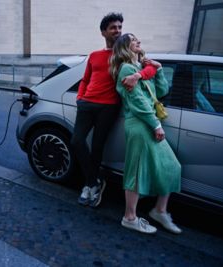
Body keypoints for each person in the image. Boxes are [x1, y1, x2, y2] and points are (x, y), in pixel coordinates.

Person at [71, 12, 157, 207]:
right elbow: (85, 79)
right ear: (103, 32)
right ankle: (94, 181)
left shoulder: (125, 55)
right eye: (113, 28)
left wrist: (137, 76)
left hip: (109, 107)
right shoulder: (94, 55)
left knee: (98, 147)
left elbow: (151, 68)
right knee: (76, 141)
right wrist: (79, 98)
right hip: (86, 104)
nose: (118, 30)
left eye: (120, 27)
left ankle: (90, 186)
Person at [110, 33, 182, 234]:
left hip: (148, 123)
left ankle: (160, 210)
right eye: (134, 40)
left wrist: (158, 69)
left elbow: (161, 91)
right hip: (140, 125)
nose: (139, 42)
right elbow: (138, 102)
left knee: (171, 167)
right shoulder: (126, 69)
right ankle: (129, 217)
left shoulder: (141, 69)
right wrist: (156, 125)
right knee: (136, 170)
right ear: (125, 46)